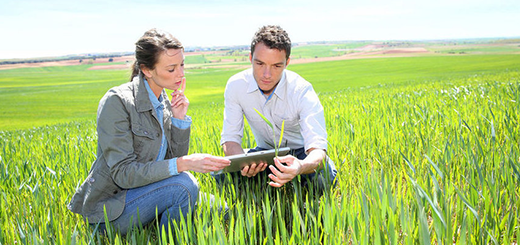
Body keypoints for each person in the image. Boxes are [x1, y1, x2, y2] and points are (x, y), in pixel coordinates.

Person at [68, 28, 230, 235]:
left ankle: (162, 219)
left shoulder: (163, 100)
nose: (181, 74)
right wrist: (186, 163)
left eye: (182, 65)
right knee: (184, 186)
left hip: (151, 190)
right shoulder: (117, 102)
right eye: (171, 69)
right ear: (146, 70)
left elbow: (171, 163)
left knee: (223, 210)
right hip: (113, 210)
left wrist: (179, 119)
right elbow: (123, 174)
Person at [219, 25, 337, 191]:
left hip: (300, 155)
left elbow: (318, 151)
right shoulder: (236, 85)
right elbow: (230, 139)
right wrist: (243, 163)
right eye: (260, 63)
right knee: (220, 174)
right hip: (263, 154)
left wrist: (300, 167)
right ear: (250, 58)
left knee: (323, 178)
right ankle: (262, 190)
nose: (266, 74)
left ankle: (289, 186)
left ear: (287, 63)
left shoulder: (301, 90)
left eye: (276, 66)